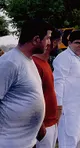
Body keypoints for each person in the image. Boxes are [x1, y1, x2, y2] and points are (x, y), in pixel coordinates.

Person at [0, 19, 53, 148]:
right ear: (36, 40)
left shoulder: (28, 60)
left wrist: (39, 126)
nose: (49, 43)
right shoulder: (9, 63)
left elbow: (27, 95)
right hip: (10, 143)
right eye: (47, 38)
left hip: (28, 142)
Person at [53, 30, 80, 148]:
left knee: (78, 140)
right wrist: (58, 107)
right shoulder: (63, 58)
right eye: (77, 43)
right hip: (68, 109)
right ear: (69, 43)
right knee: (69, 141)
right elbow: (58, 82)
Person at [33, 36, 60, 148]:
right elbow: (32, 98)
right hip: (43, 125)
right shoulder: (35, 64)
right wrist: (40, 125)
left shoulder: (45, 63)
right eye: (57, 41)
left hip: (51, 122)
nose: (58, 45)